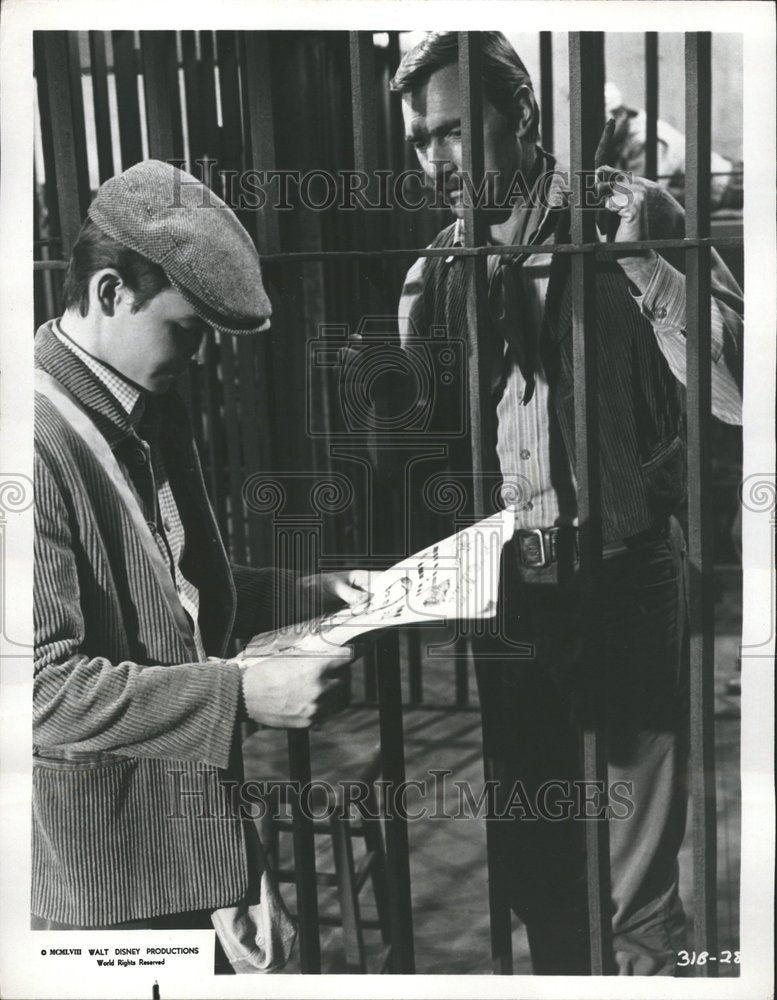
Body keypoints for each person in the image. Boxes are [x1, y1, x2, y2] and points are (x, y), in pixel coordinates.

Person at [391, 32, 743, 975]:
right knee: (540, 878)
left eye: (457, 131)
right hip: (509, 592)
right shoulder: (446, 259)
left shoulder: (628, 215)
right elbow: (433, 445)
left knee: (635, 891)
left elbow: (743, 391)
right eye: (422, 139)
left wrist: (646, 269)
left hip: (625, 575)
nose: (437, 159)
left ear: (525, 119)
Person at [32, 160, 370, 966]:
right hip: (97, 876)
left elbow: (170, 596)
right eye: (186, 329)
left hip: (189, 836)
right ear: (110, 292)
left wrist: (301, 592)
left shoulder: (146, 406)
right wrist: (245, 691)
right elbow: (39, 691)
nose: (201, 357)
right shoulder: (30, 443)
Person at [603, 81, 743, 212]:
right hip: (713, 176)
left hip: (730, 186)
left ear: (620, 114)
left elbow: (643, 197)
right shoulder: (628, 123)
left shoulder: (645, 141)